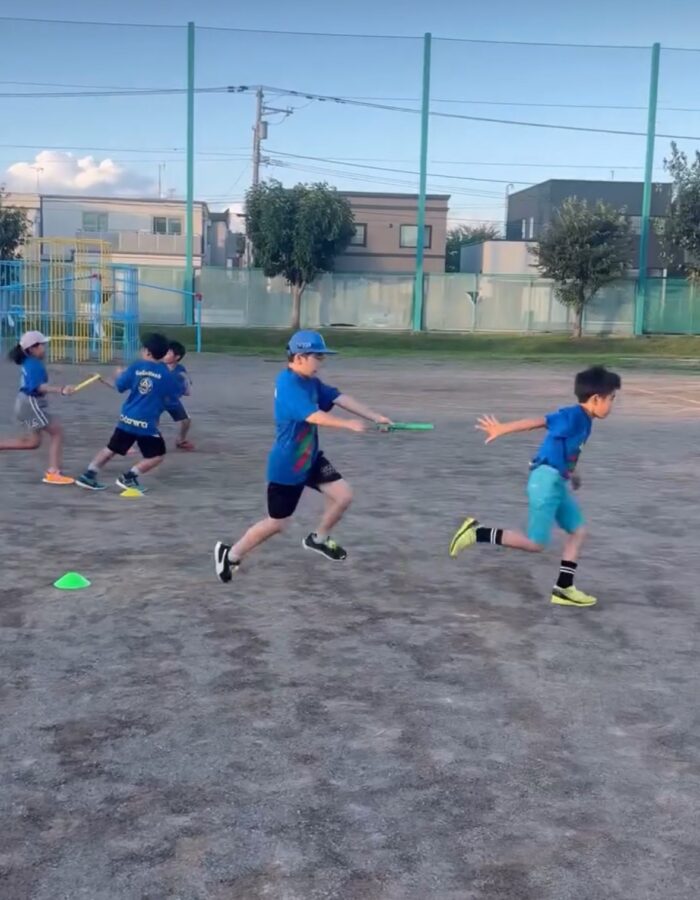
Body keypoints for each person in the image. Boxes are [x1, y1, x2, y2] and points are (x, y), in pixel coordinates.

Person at [214, 330, 392, 582]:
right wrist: (348, 424)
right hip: (287, 465)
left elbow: (339, 397)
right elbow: (313, 416)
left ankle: (318, 538)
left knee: (343, 496)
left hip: (310, 457)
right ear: (299, 357)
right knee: (277, 523)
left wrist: (375, 416)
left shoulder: (310, 381)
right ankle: (231, 555)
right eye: (318, 357)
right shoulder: (288, 384)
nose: (321, 362)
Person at [449, 365, 621, 608]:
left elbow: (566, 450)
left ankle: (564, 588)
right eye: (611, 398)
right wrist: (502, 429)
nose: (612, 404)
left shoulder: (585, 421)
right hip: (545, 482)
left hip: (557, 481)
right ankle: (477, 532)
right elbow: (540, 421)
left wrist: (573, 473)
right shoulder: (573, 415)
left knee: (578, 531)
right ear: (595, 399)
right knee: (536, 543)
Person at [74, 332, 179, 493]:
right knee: (157, 456)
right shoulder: (167, 375)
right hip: (146, 423)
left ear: (147, 351)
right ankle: (129, 477)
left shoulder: (136, 367)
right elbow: (170, 399)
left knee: (111, 449)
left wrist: (109, 378)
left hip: (127, 418)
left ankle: (89, 474)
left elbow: (119, 386)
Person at [0, 330, 75, 485]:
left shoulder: (31, 363)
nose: (44, 348)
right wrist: (61, 389)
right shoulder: (34, 365)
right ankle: (53, 472)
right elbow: (38, 387)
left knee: (33, 442)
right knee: (57, 432)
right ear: (32, 348)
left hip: (25, 404)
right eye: (41, 345)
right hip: (30, 404)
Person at [163, 340, 194, 450]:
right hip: (157, 399)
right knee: (152, 420)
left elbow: (187, 389)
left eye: (168, 353)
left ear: (177, 357)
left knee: (186, 421)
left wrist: (186, 385)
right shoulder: (159, 367)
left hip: (172, 401)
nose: (164, 355)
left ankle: (181, 440)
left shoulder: (181, 370)